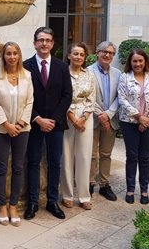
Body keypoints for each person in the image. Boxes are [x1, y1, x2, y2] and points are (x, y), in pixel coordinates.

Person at [22, 27, 72, 220]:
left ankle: (52, 201)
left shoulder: (61, 67)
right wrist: (38, 119)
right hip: (34, 123)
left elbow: (67, 95)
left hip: (56, 124)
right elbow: (23, 97)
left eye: (48, 40)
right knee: (33, 162)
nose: (44, 43)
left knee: (54, 163)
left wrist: (55, 119)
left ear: (52, 43)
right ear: (34, 43)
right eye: (41, 40)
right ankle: (33, 202)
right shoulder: (25, 66)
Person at [0, 41, 34, 226]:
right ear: (3, 56)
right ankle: (1, 205)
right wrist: (7, 124)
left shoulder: (27, 75)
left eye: (15, 53)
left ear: (19, 55)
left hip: (22, 129)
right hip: (0, 128)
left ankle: (13, 205)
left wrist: (21, 123)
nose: (12, 56)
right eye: (9, 53)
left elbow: (30, 101)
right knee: (1, 167)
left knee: (18, 167)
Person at [118, 49, 149, 205]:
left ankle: (144, 190)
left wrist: (148, 119)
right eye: (134, 61)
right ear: (130, 62)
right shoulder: (124, 77)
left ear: (145, 61)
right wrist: (139, 117)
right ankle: (130, 189)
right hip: (129, 122)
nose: (137, 64)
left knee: (144, 157)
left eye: (140, 61)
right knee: (132, 156)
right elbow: (122, 100)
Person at [60, 43, 96, 210]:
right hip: (66, 115)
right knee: (66, 156)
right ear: (69, 55)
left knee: (84, 156)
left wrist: (83, 118)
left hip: (85, 117)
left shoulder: (89, 74)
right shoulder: (62, 72)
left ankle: (84, 196)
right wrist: (73, 117)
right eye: (75, 54)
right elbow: (60, 96)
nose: (78, 57)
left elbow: (92, 98)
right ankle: (67, 195)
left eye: (81, 55)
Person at [87, 41, 121, 201]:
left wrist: (108, 114)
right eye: (104, 52)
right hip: (92, 120)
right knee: (92, 155)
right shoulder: (87, 72)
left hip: (110, 120)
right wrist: (101, 115)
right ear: (97, 53)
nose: (107, 55)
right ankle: (89, 183)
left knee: (106, 154)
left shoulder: (118, 74)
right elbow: (87, 97)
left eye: (111, 53)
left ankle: (105, 184)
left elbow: (119, 97)